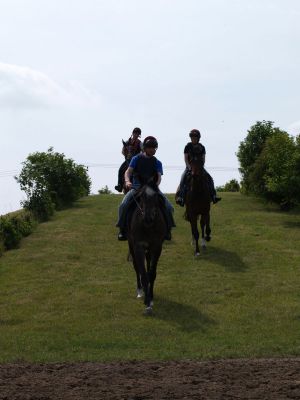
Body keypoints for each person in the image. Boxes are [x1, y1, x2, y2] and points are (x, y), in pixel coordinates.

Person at [116, 136, 175, 241]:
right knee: (123, 205)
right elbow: (128, 172)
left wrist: (155, 186)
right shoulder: (136, 159)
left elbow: (159, 176)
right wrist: (127, 181)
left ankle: (167, 230)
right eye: (150, 147)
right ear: (145, 148)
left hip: (152, 189)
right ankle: (122, 230)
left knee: (169, 207)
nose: (152, 150)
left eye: (154, 148)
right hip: (137, 188)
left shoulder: (157, 162)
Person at [175, 129, 221, 206]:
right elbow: (186, 159)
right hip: (189, 167)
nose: (193, 139)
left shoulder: (202, 147)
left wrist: (201, 167)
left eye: (195, 137)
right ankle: (181, 197)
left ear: (198, 138)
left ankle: (214, 196)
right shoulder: (187, 147)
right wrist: (189, 167)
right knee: (183, 178)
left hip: (200, 167)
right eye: (192, 137)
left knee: (210, 178)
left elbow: (203, 159)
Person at [114, 127, 142, 192]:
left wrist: (137, 157)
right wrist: (126, 155)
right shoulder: (127, 142)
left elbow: (143, 152)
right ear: (132, 133)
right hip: (127, 160)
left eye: (137, 134)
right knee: (120, 170)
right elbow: (122, 151)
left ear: (139, 135)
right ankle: (120, 185)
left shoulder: (140, 143)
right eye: (135, 133)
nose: (136, 135)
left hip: (136, 162)